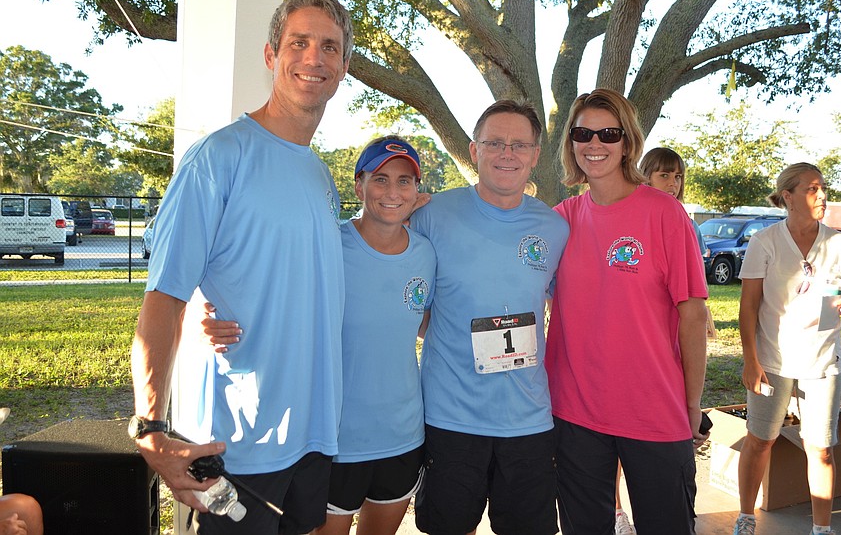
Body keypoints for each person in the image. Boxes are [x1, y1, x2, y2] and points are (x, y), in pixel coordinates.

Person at [130, 0, 352, 535]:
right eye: (299, 42)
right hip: (237, 446)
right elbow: (164, 297)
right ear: (272, 55)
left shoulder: (320, 174)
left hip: (313, 435)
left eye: (329, 47)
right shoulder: (218, 158)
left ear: (344, 66)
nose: (314, 58)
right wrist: (151, 425)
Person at [203, 136, 437, 535]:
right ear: (358, 186)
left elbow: (424, 325)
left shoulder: (426, 253)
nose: (392, 192)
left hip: (403, 434)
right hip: (335, 437)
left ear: (418, 190)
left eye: (404, 181)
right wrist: (205, 312)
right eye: (380, 180)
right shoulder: (327, 244)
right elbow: (268, 290)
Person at [546, 88, 708, 535]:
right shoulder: (560, 219)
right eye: (583, 133)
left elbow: (693, 316)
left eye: (608, 133)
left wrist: (692, 404)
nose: (594, 144)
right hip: (575, 411)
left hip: (655, 411)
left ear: (627, 142)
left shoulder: (665, 214)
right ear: (571, 142)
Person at [408, 100, 570, 535]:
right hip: (451, 417)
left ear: (536, 155)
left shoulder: (554, 228)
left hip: (529, 419)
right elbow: (404, 300)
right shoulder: (430, 215)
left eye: (520, 145)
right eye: (494, 142)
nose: (507, 153)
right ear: (473, 149)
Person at [733, 162, 841, 535]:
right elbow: (748, 307)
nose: (823, 195)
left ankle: (821, 529)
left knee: (820, 449)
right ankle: (746, 517)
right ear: (788, 196)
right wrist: (751, 361)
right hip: (772, 360)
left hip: (823, 361)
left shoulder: (839, 243)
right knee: (760, 440)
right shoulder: (764, 241)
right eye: (813, 189)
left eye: (823, 188)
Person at [639, 146, 707, 257]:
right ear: (646, 177)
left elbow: (698, 271)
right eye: (664, 175)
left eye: (678, 176)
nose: (673, 183)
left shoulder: (689, 225)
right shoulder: (631, 220)